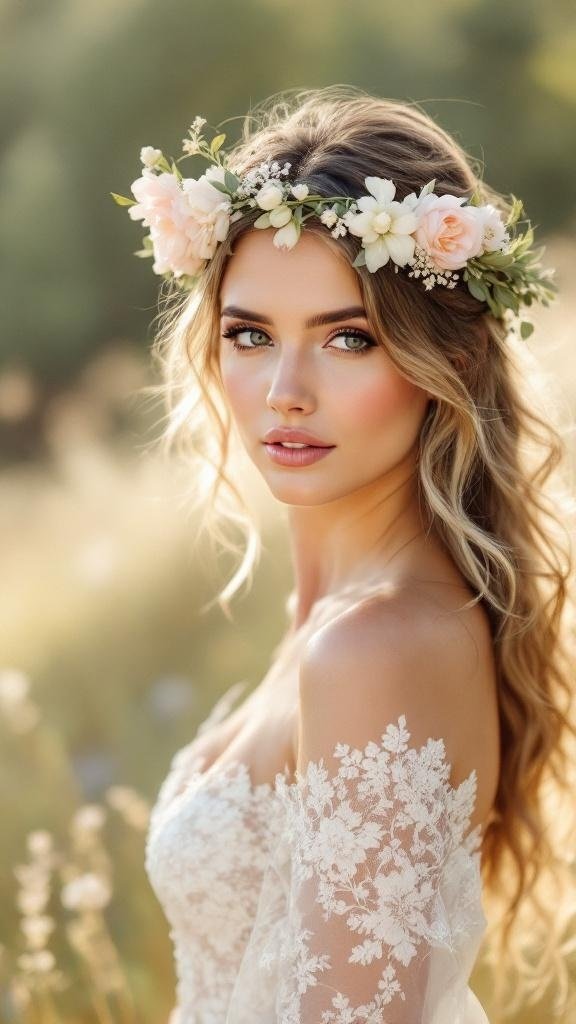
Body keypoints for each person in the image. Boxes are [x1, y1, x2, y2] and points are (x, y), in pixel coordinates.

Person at [113, 85, 576, 1023]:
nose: (285, 390)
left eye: (348, 339)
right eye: (250, 334)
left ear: (444, 363)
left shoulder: (378, 646)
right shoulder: (338, 619)